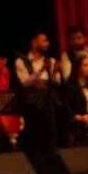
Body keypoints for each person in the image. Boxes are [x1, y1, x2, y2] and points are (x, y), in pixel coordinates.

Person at [14, 32, 60, 160]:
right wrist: (41, 71)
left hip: (48, 101)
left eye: (47, 41)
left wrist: (54, 72)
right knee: (35, 134)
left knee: (51, 131)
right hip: (31, 103)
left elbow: (56, 82)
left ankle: (51, 157)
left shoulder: (51, 61)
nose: (47, 44)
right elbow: (25, 82)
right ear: (34, 43)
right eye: (44, 40)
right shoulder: (22, 60)